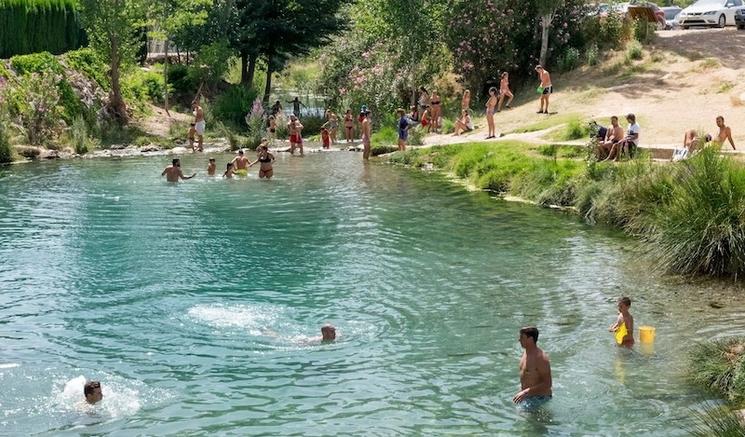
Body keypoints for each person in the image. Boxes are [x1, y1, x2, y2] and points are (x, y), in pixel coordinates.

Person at [513, 326, 552, 411]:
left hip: (540, 398)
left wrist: (525, 392)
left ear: (530, 339)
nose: (519, 340)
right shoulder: (526, 352)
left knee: (526, 419)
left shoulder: (540, 358)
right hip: (527, 395)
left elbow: (548, 384)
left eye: (522, 337)